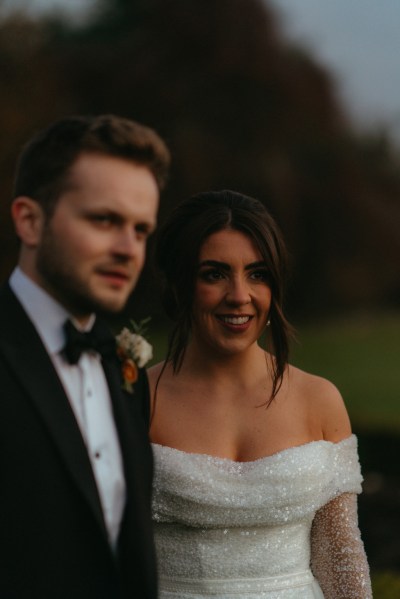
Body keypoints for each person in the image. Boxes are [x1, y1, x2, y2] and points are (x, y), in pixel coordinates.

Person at [148, 190, 372, 599]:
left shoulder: (319, 399)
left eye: (257, 273)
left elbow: (339, 553)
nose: (240, 295)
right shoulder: (136, 400)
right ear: (181, 282)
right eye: (214, 274)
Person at [0, 114, 170, 599]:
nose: (128, 249)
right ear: (30, 220)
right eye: (105, 220)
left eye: (141, 231)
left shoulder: (124, 368)